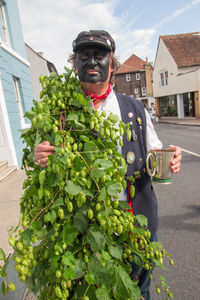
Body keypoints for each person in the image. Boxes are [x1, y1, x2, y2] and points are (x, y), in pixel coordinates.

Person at [34, 30, 182, 300]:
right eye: (84, 56)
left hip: (138, 225)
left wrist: (170, 157)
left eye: (100, 56)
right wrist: (40, 155)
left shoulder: (135, 108)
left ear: (112, 65)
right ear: (75, 64)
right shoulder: (60, 112)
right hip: (84, 233)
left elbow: (155, 153)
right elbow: (48, 165)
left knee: (139, 290)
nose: (92, 61)